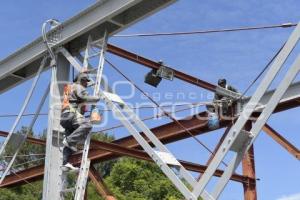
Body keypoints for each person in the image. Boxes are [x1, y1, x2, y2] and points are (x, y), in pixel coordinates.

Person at [60, 72, 100, 171]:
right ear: (82, 80)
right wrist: (96, 98)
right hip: (72, 114)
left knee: (70, 139)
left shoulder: (69, 88)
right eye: (86, 81)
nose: (87, 84)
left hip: (64, 117)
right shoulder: (78, 86)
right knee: (87, 125)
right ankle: (69, 141)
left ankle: (65, 163)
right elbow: (83, 97)